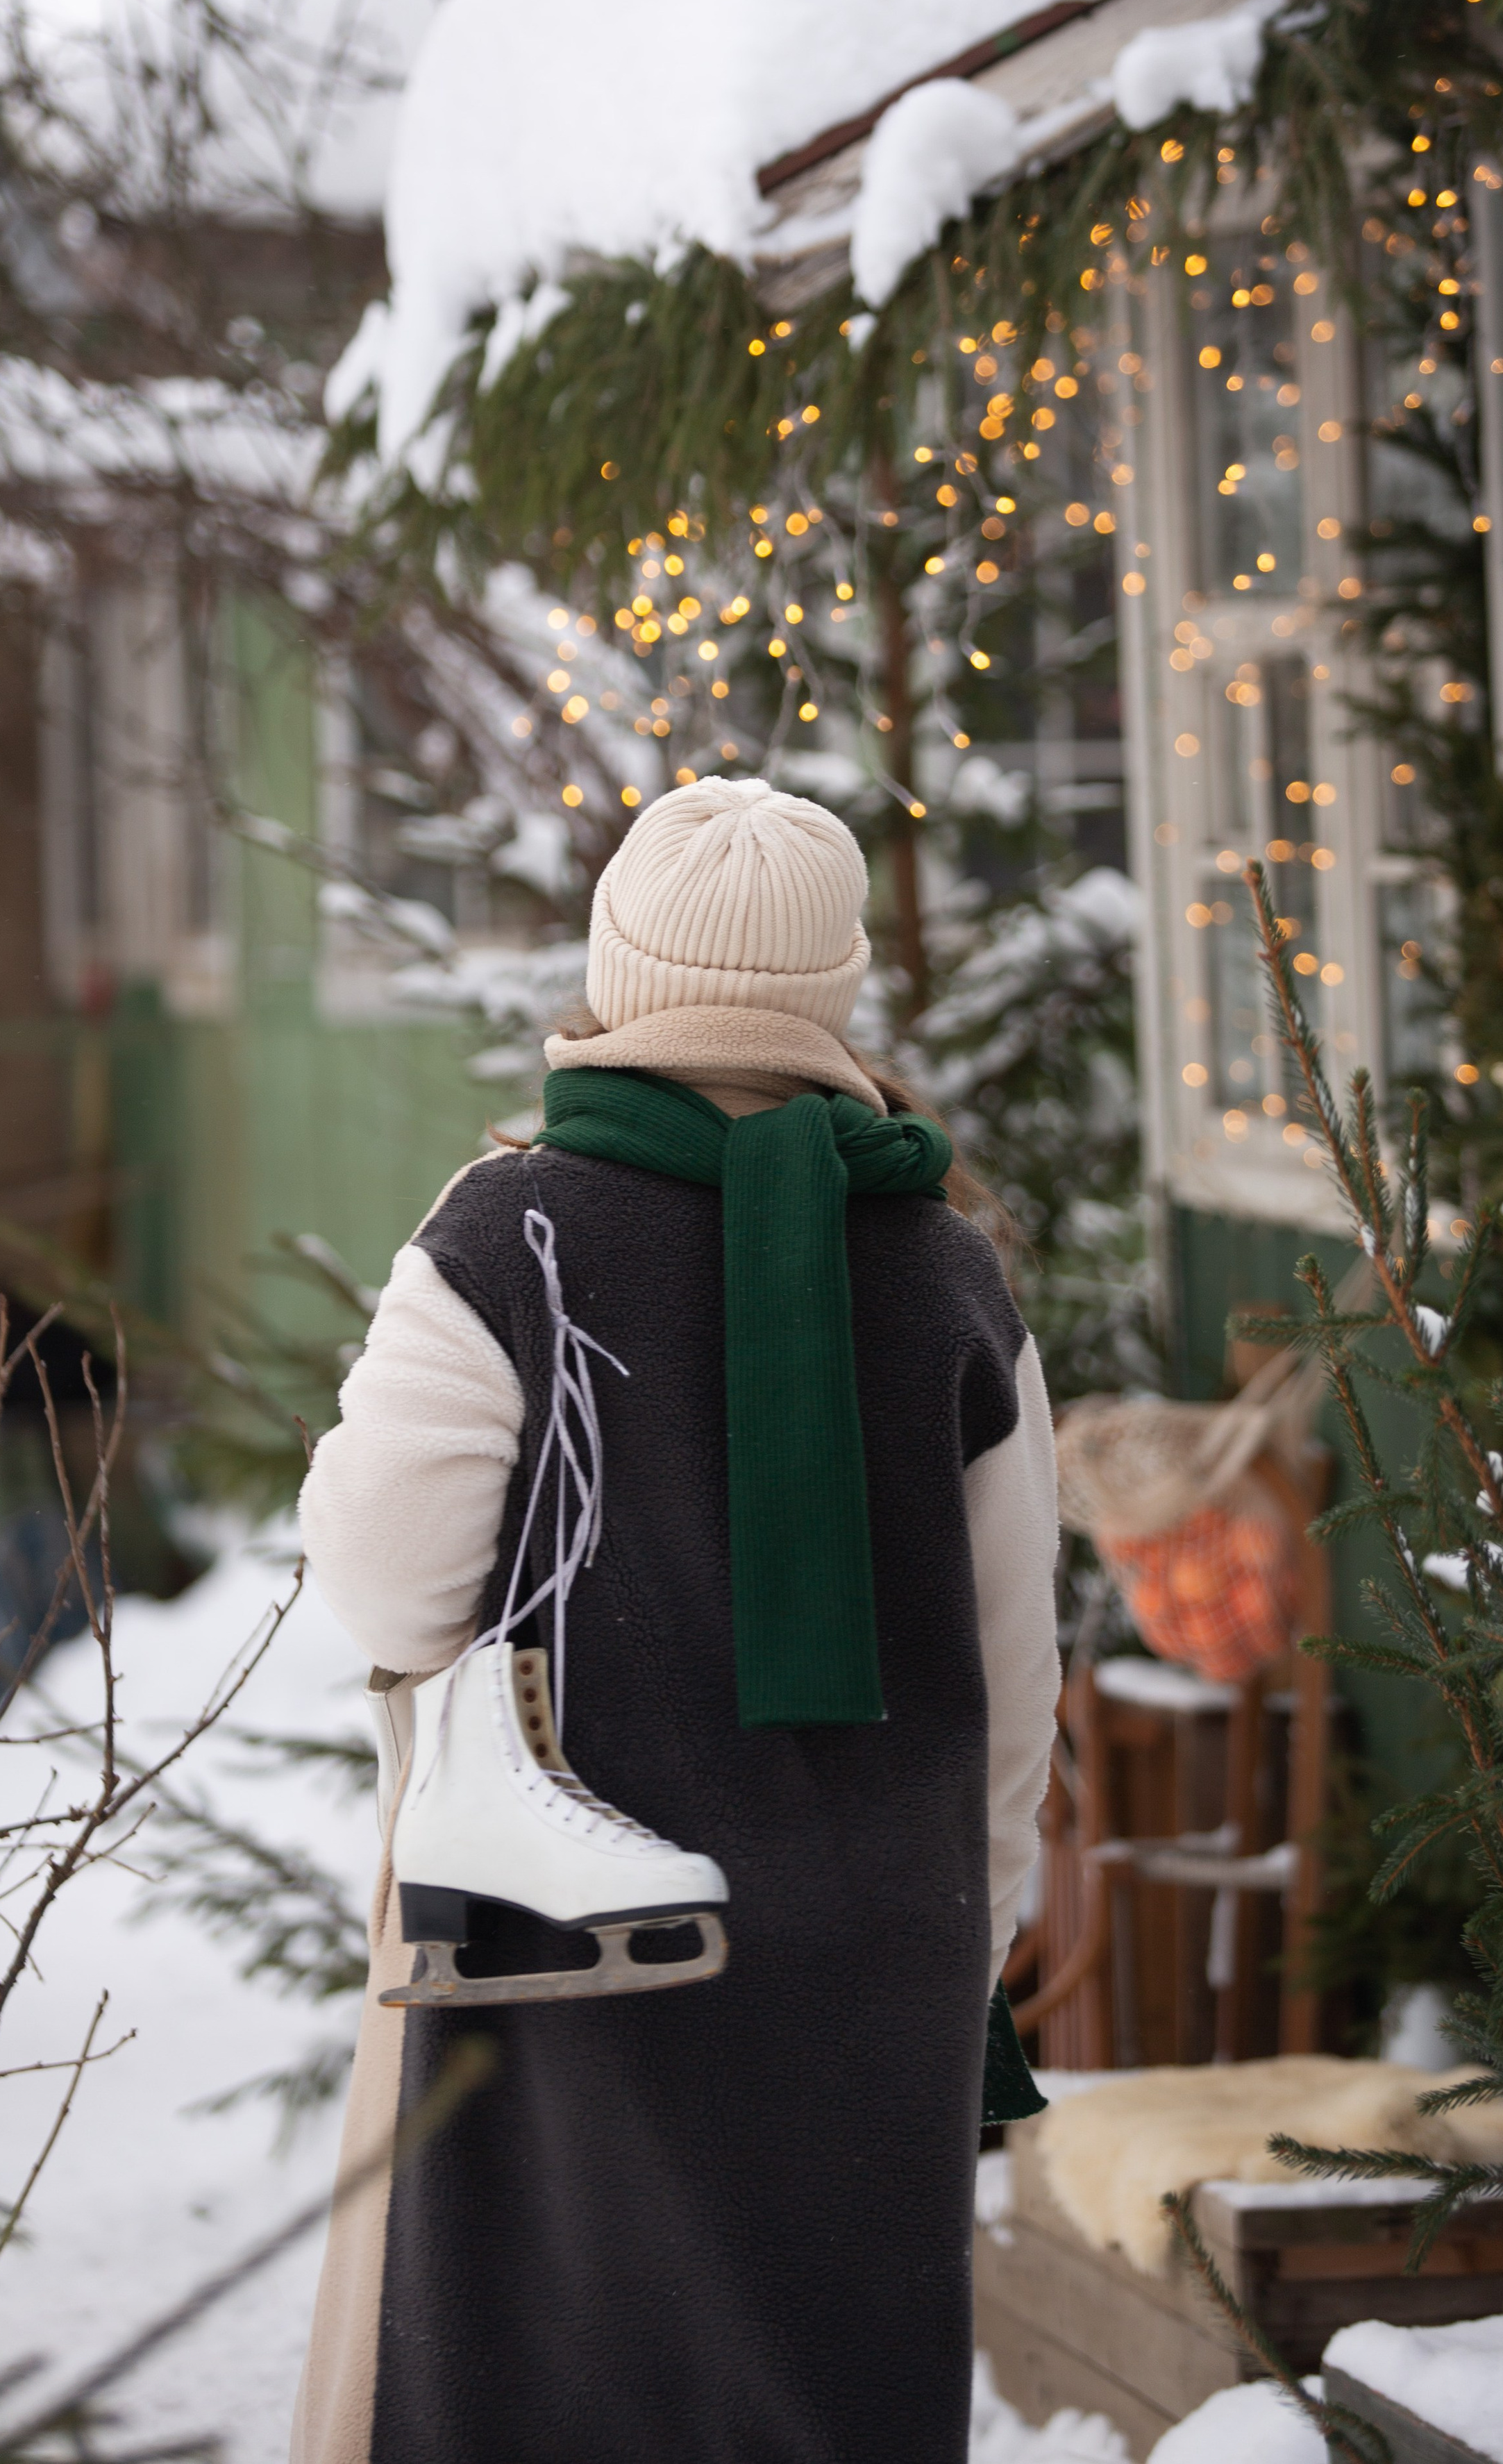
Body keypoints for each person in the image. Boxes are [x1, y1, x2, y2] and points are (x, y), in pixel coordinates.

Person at [292, 777, 1060, 2464]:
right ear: (834, 989)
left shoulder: (505, 1236)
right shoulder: (946, 1274)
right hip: (873, 1964)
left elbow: (383, 1576)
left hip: (567, 1947)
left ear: (615, 967)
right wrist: (962, 1932)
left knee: (547, 2395)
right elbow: (1012, 1678)